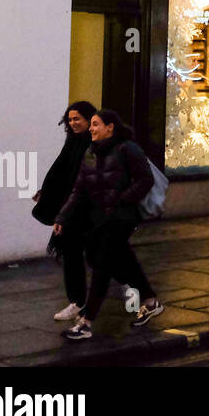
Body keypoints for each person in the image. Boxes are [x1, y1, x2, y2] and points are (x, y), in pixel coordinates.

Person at [56, 109, 162, 340]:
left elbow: (145, 179)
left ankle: (86, 322)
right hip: (99, 218)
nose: (91, 129)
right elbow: (79, 189)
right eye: (91, 125)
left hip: (122, 217)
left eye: (96, 124)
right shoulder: (91, 153)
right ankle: (150, 299)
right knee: (106, 258)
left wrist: (123, 200)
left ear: (110, 127)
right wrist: (62, 217)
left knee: (103, 264)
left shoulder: (127, 149)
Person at [34, 101, 97, 322]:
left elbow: (85, 180)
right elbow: (61, 170)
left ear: (89, 119)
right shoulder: (73, 141)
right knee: (71, 254)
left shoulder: (95, 143)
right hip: (72, 209)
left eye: (77, 119)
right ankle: (78, 302)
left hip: (90, 209)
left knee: (105, 258)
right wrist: (47, 193)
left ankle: (142, 296)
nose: (72, 123)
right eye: (70, 120)